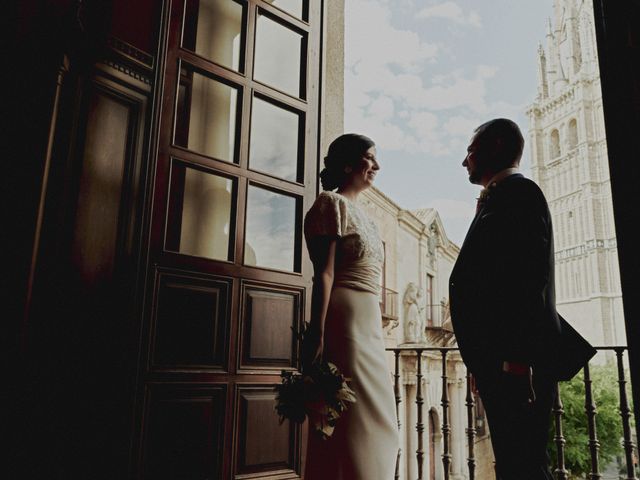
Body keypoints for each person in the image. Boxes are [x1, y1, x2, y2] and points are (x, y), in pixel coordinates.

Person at [448, 119, 596, 479]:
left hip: (515, 363)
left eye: (471, 150)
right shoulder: (504, 195)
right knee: (514, 463)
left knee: (524, 464)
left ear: (496, 146)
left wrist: (515, 358)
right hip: (500, 362)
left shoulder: (521, 193)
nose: (465, 160)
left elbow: (527, 280)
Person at [302, 133, 399, 480]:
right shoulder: (331, 203)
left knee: (381, 421)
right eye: (369, 158)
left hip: (370, 322)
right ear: (347, 163)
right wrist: (317, 332)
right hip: (346, 320)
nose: (377, 166)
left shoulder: (367, 218)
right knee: (357, 418)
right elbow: (324, 274)